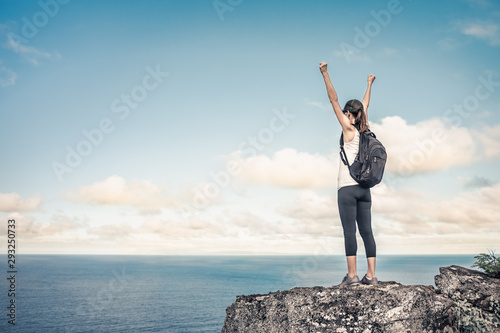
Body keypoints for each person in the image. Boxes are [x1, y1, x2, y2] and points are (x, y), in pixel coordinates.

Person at [319, 62, 378, 286]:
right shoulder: (366, 131)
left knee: (349, 232)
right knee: (367, 232)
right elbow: (365, 104)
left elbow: (333, 99)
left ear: (348, 114)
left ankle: (352, 276)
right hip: (365, 189)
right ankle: (371, 276)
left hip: (347, 188)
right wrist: (369, 83)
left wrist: (325, 73)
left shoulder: (349, 129)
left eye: (345, 112)